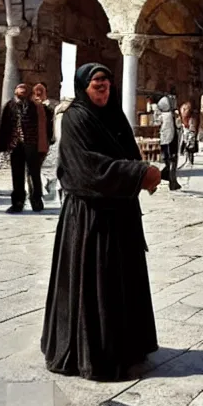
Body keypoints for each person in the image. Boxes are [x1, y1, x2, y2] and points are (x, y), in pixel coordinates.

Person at [41, 63, 161, 381]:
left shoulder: (115, 117)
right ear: (84, 87)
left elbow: (129, 154)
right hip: (89, 219)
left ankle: (125, 347)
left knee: (119, 283)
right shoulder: (76, 118)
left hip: (120, 216)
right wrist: (139, 173)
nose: (103, 89)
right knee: (94, 285)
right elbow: (86, 170)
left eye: (107, 85)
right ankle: (91, 353)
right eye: (97, 85)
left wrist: (141, 172)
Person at [0, 83, 44, 213]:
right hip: (15, 144)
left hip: (31, 143)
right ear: (15, 91)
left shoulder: (34, 106)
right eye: (19, 89)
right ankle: (17, 202)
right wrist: (1, 143)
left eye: (24, 90)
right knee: (17, 174)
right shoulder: (9, 106)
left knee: (34, 173)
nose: (22, 91)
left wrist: (42, 143)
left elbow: (42, 126)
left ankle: (36, 200)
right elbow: (3, 125)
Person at [157, 95, 182, 191]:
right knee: (173, 159)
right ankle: (172, 181)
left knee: (167, 159)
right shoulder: (173, 114)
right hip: (173, 139)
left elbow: (156, 123)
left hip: (164, 139)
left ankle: (168, 177)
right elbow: (179, 124)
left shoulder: (161, 115)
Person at [179, 101, 198, 166]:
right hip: (186, 129)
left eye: (185, 109)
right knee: (187, 144)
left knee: (190, 146)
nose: (184, 111)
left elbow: (192, 125)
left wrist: (192, 131)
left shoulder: (192, 117)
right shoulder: (185, 115)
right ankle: (188, 159)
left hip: (190, 130)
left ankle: (190, 160)